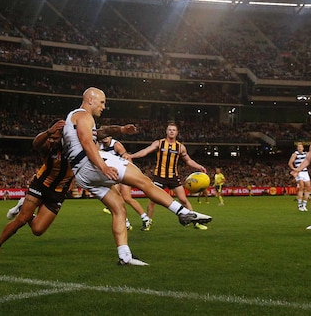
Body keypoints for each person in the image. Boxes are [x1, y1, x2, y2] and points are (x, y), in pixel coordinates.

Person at [62, 87, 212, 266]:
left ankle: (124, 256)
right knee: (144, 181)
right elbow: (87, 141)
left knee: (119, 209)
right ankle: (182, 212)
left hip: (81, 173)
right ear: (90, 100)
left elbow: (99, 133)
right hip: (92, 162)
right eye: (102, 102)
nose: (104, 106)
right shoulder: (85, 116)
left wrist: (121, 130)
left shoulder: (75, 117)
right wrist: (103, 167)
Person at [0, 120, 74, 260]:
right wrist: (48, 132)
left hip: (57, 193)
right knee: (21, 220)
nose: (51, 141)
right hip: (40, 185)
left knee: (38, 230)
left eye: (55, 138)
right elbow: (36, 144)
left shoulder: (75, 148)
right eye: (50, 137)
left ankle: (23, 209)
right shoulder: (48, 147)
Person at [130, 122, 210, 230]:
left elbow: (188, 160)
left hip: (173, 177)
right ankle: (147, 222)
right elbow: (146, 151)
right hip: (159, 176)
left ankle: (195, 222)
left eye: (174, 130)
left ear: (177, 133)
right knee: (152, 201)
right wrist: (132, 156)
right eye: (169, 129)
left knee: (183, 199)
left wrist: (199, 166)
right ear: (166, 131)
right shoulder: (159, 143)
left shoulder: (180, 147)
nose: (171, 131)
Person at [99, 135, 153, 231]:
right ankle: (127, 222)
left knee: (126, 198)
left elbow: (127, 158)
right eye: (103, 136)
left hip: (123, 171)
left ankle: (144, 218)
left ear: (111, 136)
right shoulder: (98, 146)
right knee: (116, 198)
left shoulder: (116, 145)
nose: (105, 138)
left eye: (107, 136)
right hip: (113, 175)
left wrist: (132, 173)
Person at [288, 142, 311, 210]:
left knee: (308, 188)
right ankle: (299, 205)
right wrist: (294, 169)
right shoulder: (295, 154)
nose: (300, 148)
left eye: (301, 147)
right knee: (301, 187)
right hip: (299, 172)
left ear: (303, 148)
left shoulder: (305, 154)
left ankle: (304, 205)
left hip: (305, 172)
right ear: (297, 148)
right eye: (299, 147)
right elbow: (290, 163)